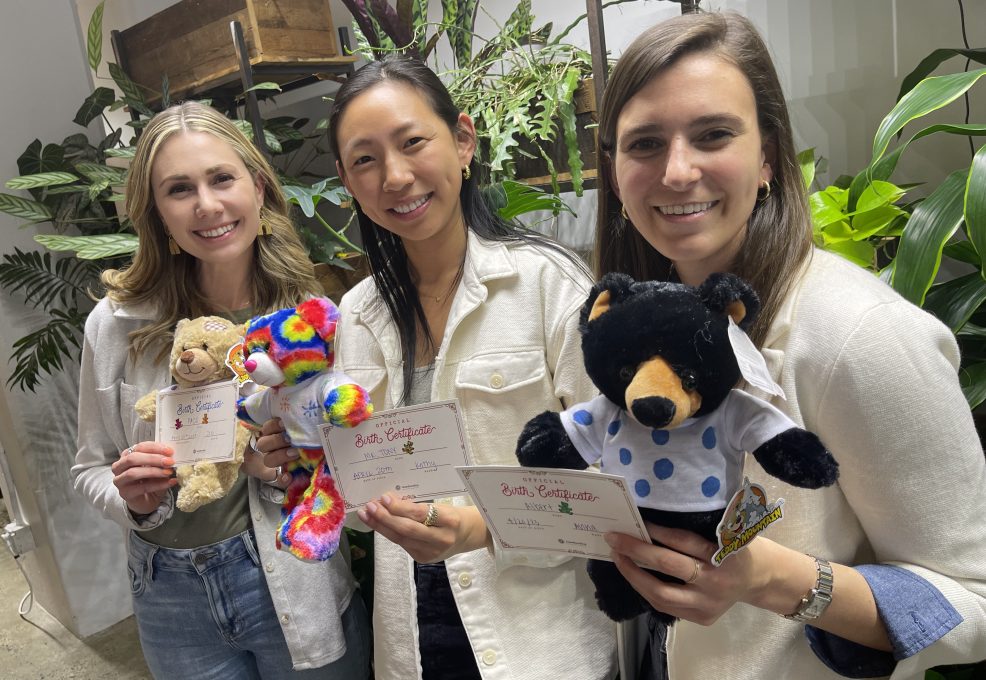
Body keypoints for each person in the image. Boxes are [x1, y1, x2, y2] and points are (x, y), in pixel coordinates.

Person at [593, 11, 986, 680]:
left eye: (713, 134)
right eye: (645, 144)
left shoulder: (859, 334)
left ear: (769, 156)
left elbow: (971, 602)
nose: (678, 171)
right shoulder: (624, 329)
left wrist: (773, 579)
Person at [255, 54, 618, 680]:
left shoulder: (547, 285)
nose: (395, 177)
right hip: (411, 644)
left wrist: (482, 528)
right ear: (346, 179)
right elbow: (351, 465)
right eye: (365, 159)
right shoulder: (356, 315)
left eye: (413, 142)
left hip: (538, 640)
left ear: (464, 141)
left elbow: (614, 485)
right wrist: (299, 453)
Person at [71, 101, 371, 680]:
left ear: (258, 188)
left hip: (292, 577)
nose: (207, 206)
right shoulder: (117, 326)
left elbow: (354, 460)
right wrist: (133, 500)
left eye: (222, 179)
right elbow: (89, 469)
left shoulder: (313, 321)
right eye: (179, 189)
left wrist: (286, 466)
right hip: (169, 593)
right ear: (156, 212)